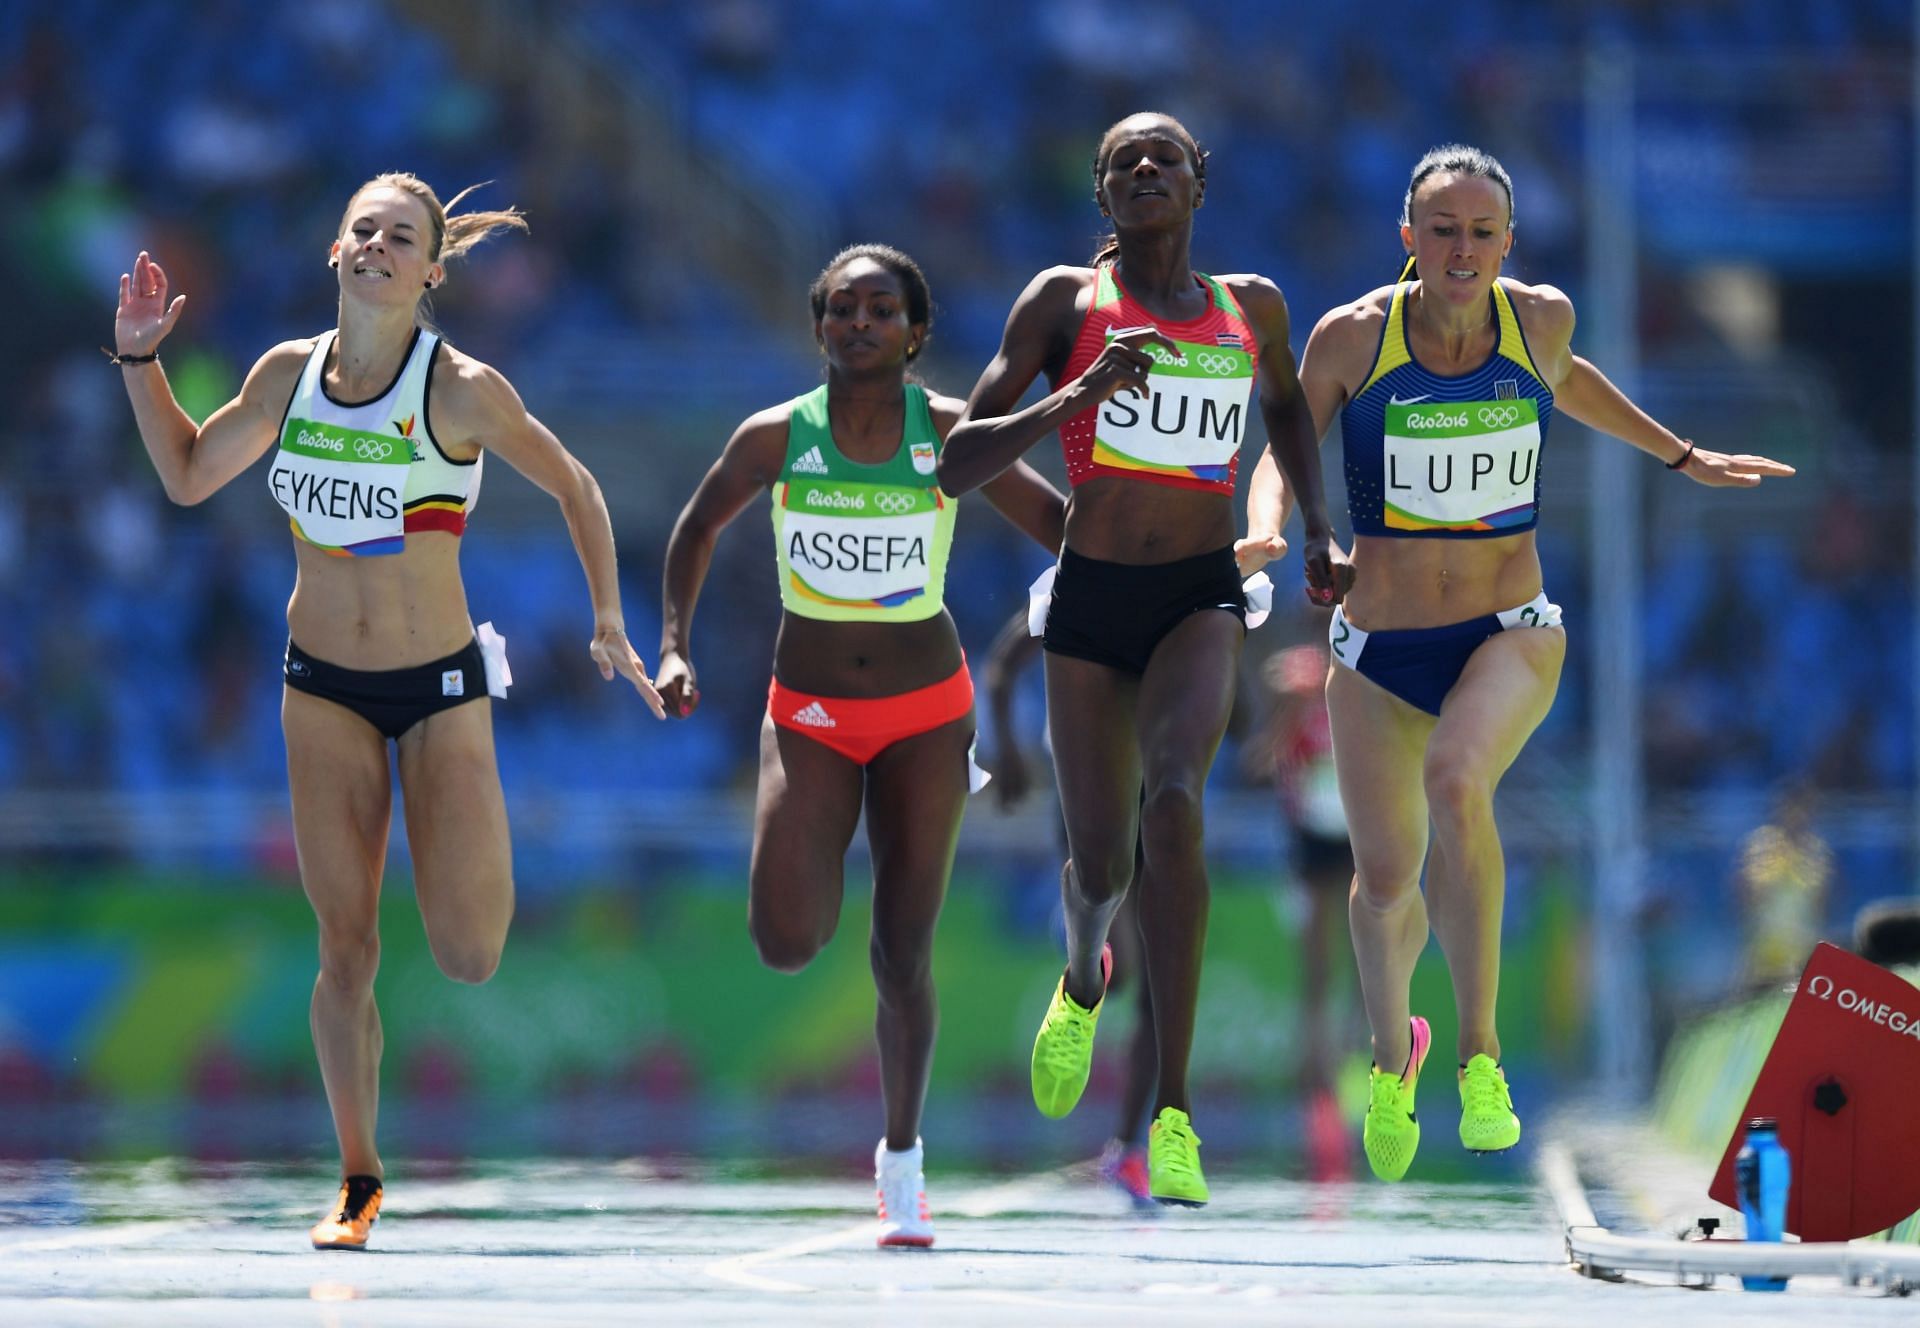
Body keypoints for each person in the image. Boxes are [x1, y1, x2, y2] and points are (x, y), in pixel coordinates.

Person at [111, 174, 666, 1248]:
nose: (376, 244)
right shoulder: (286, 376)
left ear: (430, 270)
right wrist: (143, 360)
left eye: (400, 236)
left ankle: (470, 822)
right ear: (335, 248)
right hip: (320, 682)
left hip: (440, 686)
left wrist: (607, 614)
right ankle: (359, 1177)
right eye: (363, 227)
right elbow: (184, 475)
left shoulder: (458, 387)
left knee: (468, 952)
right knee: (346, 948)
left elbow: (578, 484)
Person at [1239, 143, 1794, 1182]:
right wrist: (1267, 523)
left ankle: (1478, 1052)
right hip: (1375, 644)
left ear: (1508, 241)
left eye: (1481, 232)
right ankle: (1389, 1051)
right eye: (1441, 230)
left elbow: (1569, 380)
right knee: (1387, 876)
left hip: (1511, 627)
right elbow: (1285, 445)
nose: (1461, 249)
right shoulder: (1354, 337)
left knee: (1459, 779)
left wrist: (1683, 454)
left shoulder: (1539, 318)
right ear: (1409, 238)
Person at [938, 111, 1320, 1207]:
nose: (1145, 171)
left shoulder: (1254, 308)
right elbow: (960, 459)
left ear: (1200, 184)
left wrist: (1325, 533)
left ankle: (1174, 1112)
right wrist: (1079, 391)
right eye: (1122, 164)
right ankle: (1080, 969)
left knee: (1177, 807)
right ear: (1102, 199)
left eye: (1165, 159)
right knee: (1101, 865)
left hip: (1200, 595)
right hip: (1093, 602)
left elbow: (1289, 415)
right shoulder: (1064, 303)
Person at [655, 244, 1064, 1247]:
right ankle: (817, 844)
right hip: (813, 714)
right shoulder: (775, 437)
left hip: (929, 714)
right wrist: (671, 643)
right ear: (820, 327)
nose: (861, 323)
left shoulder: (955, 431)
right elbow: (697, 526)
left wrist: (1161, 579)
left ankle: (902, 1161)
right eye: (842, 309)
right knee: (787, 938)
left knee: (901, 948)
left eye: (882, 309)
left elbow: (1063, 524)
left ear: (914, 332)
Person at [982, 607, 1157, 1209]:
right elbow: (1002, 668)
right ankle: (1084, 977)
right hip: (1088, 779)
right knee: (1127, 967)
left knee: (1157, 975)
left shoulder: (1190, 570)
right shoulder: (1071, 581)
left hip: (1163, 781)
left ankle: (1130, 1146)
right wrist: (1005, 750)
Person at [1248, 638, 1355, 1179]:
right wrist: (1286, 716)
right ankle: (1317, 1079)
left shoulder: (1355, 702)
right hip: (1312, 845)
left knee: (1362, 964)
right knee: (1317, 970)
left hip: (1354, 839)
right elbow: (1257, 766)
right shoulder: (1297, 723)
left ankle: (1358, 1069)